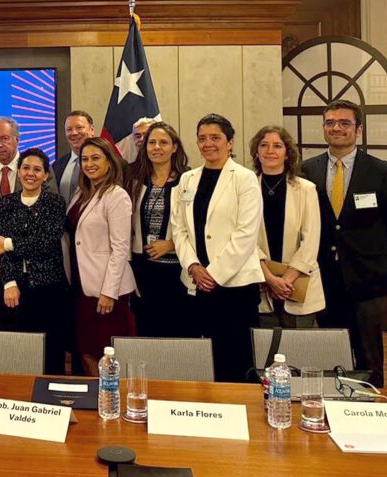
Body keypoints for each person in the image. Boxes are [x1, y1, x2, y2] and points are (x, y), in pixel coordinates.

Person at [301, 100, 387, 387]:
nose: (336, 128)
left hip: (368, 280)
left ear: (358, 130)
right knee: (331, 353)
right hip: (324, 279)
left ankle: (371, 406)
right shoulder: (307, 170)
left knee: (369, 359)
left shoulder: (382, 171)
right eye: (330, 122)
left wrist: (372, 251)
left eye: (344, 123)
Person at [171, 114, 264, 382]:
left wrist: (213, 275)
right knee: (203, 361)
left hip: (235, 286)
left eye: (215, 138)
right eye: (202, 138)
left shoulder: (245, 179)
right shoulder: (187, 180)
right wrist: (193, 266)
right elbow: (179, 229)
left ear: (230, 142)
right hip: (196, 284)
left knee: (235, 362)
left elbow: (246, 234)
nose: (208, 144)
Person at [0, 116, 59, 330]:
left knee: (32, 328)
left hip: (30, 265)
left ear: (17, 139)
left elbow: (48, 216)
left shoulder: (37, 169)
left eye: (4, 138)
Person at [0, 148, 69, 373]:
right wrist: (9, 283)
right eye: (26, 168)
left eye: (37, 170)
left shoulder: (55, 203)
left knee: (51, 349)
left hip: (49, 287)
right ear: (18, 172)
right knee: (17, 349)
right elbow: (0, 251)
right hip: (15, 288)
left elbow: (45, 242)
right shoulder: (5, 203)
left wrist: (9, 243)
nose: (30, 173)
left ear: (45, 176)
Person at [67, 137, 136, 376]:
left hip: (106, 291)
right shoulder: (82, 192)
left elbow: (120, 249)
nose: (89, 164)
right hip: (82, 285)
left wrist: (109, 292)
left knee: (106, 354)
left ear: (109, 161)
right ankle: (96, 395)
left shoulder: (117, 195)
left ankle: (109, 396)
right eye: (85, 159)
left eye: (95, 158)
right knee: (86, 348)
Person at [251, 126, 325, 329]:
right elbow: (243, 238)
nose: (270, 151)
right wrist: (269, 278)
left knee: (298, 346)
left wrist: (285, 280)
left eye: (277, 146)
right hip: (260, 281)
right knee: (265, 346)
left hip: (298, 282)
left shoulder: (306, 189)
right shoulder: (245, 187)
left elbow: (311, 240)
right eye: (264, 145)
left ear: (287, 153)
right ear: (256, 152)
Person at [126, 121, 192, 337]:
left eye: (163, 142)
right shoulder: (135, 180)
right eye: (151, 142)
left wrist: (171, 244)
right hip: (143, 270)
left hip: (176, 270)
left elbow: (199, 225)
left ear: (174, 147)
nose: (156, 147)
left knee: (176, 332)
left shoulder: (188, 180)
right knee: (146, 331)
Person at [52, 110, 97, 203]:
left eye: (79, 127)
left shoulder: (109, 163)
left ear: (92, 130)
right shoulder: (57, 165)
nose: (74, 133)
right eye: (69, 129)